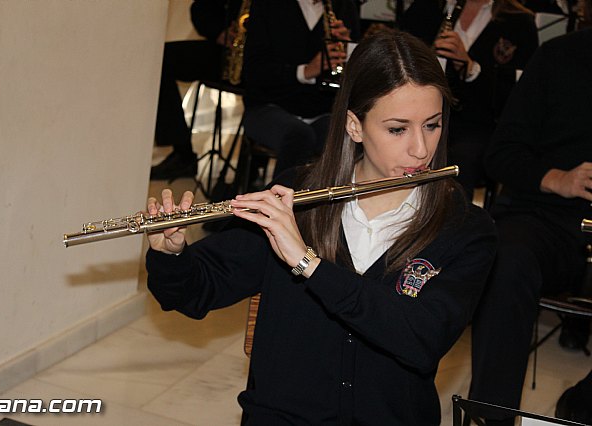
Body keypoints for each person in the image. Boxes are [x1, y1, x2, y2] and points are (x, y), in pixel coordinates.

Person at [144, 29, 497, 424]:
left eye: (432, 125)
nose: (421, 149)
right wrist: (171, 253)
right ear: (354, 126)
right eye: (398, 129)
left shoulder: (465, 226)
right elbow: (195, 292)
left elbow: (419, 338)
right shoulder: (297, 197)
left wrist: (309, 264)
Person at [467, 20, 592, 425]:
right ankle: (492, 417)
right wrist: (559, 179)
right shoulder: (558, 57)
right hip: (548, 218)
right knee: (506, 260)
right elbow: (501, 152)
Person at [401, 0, 538, 201]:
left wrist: (470, 67)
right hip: (419, 114)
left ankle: (449, 223)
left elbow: (517, 95)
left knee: (460, 158)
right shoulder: (428, 8)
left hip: (479, 125)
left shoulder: (519, 22)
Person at [241, 0, 360, 180]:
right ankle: (278, 203)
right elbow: (254, 71)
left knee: (352, 135)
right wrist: (305, 71)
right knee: (298, 136)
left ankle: (336, 204)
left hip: (322, 108)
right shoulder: (267, 5)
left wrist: (349, 49)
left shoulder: (344, 5)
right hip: (268, 105)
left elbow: (352, 76)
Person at [150, 0, 243, 181]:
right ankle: (182, 153)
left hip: (266, 60)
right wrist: (220, 32)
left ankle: (251, 168)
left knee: (266, 83)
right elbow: (201, 9)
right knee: (162, 58)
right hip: (227, 50)